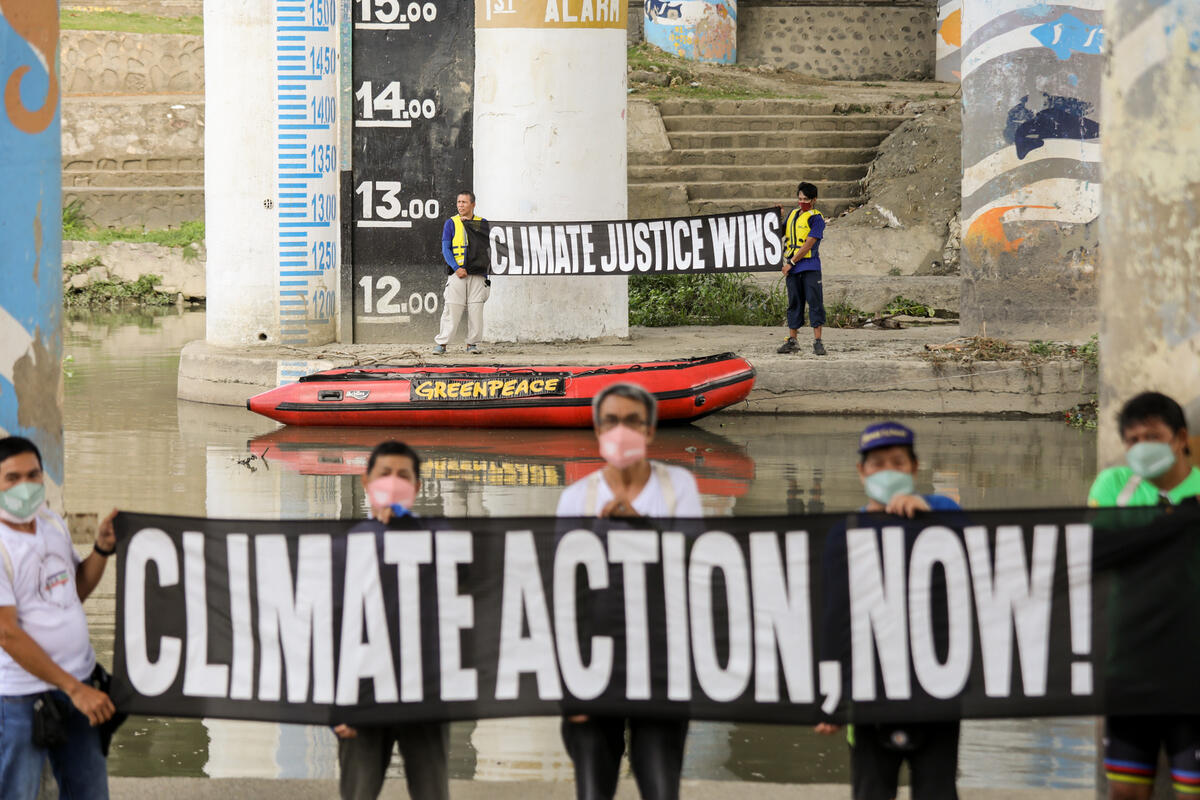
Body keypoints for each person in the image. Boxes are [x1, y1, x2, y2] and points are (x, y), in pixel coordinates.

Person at [556, 382, 701, 800]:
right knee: (593, 788)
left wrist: (641, 527)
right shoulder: (575, 499)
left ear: (651, 430)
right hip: (593, 670)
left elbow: (695, 567)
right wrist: (570, 688)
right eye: (612, 421)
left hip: (660, 666)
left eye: (633, 421)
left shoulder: (678, 488)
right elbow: (566, 597)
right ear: (598, 430)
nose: (622, 431)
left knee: (659, 784)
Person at [817, 422, 961, 800]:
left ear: (914, 468)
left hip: (937, 691)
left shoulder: (944, 511)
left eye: (898, 462)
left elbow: (985, 555)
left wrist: (927, 515)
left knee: (938, 791)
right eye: (878, 464)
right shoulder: (845, 532)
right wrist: (831, 697)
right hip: (869, 694)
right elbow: (835, 619)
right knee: (871, 792)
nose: (888, 471)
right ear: (862, 473)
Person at [1086, 392, 1200, 800]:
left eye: (1152, 436)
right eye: (1132, 440)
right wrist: (1177, 523)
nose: (1141, 447)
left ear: (1179, 437)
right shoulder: (1113, 486)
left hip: (1194, 671)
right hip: (1130, 667)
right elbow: (1096, 552)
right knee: (1126, 793)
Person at [0, 436, 118, 800]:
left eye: (33, 475)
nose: (26, 485)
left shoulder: (51, 521)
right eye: (12, 478)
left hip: (79, 686)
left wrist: (101, 549)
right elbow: (7, 634)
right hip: (20, 699)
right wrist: (74, 689)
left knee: (90, 793)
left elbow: (73, 591)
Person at [333, 440, 450, 800]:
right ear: (367, 482)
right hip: (363, 695)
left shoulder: (442, 540)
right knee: (359, 792)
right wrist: (334, 707)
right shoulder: (345, 546)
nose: (394, 481)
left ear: (416, 487)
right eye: (385, 474)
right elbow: (330, 629)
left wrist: (406, 531)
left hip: (426, 694)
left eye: (403, 475)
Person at [433, 190, 490, 355]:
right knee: (452, 308)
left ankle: (472, 344)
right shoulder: (451, 223)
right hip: (457, 273)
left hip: (478, 274)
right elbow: (446, 248)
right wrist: (457, 268)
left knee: (476, 310)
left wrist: (470, 226)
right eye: (459, 202)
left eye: (464, 202)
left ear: (473, 204)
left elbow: (486, 244)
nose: (460, 205)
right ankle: (442, 343)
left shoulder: (483, 223)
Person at [777, 181, 827, 356]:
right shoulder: (793, 214)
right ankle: (793, 341)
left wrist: (791, 263)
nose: (802, 202)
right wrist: (778, 217)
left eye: (805, 199)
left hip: (809, 266)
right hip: (793, 268)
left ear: (814, 200)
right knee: (794, 303)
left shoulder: (817, 219)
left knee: (815, 302)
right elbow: (780, 233)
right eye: (799, 198)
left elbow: (808, 244)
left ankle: (818, 342)